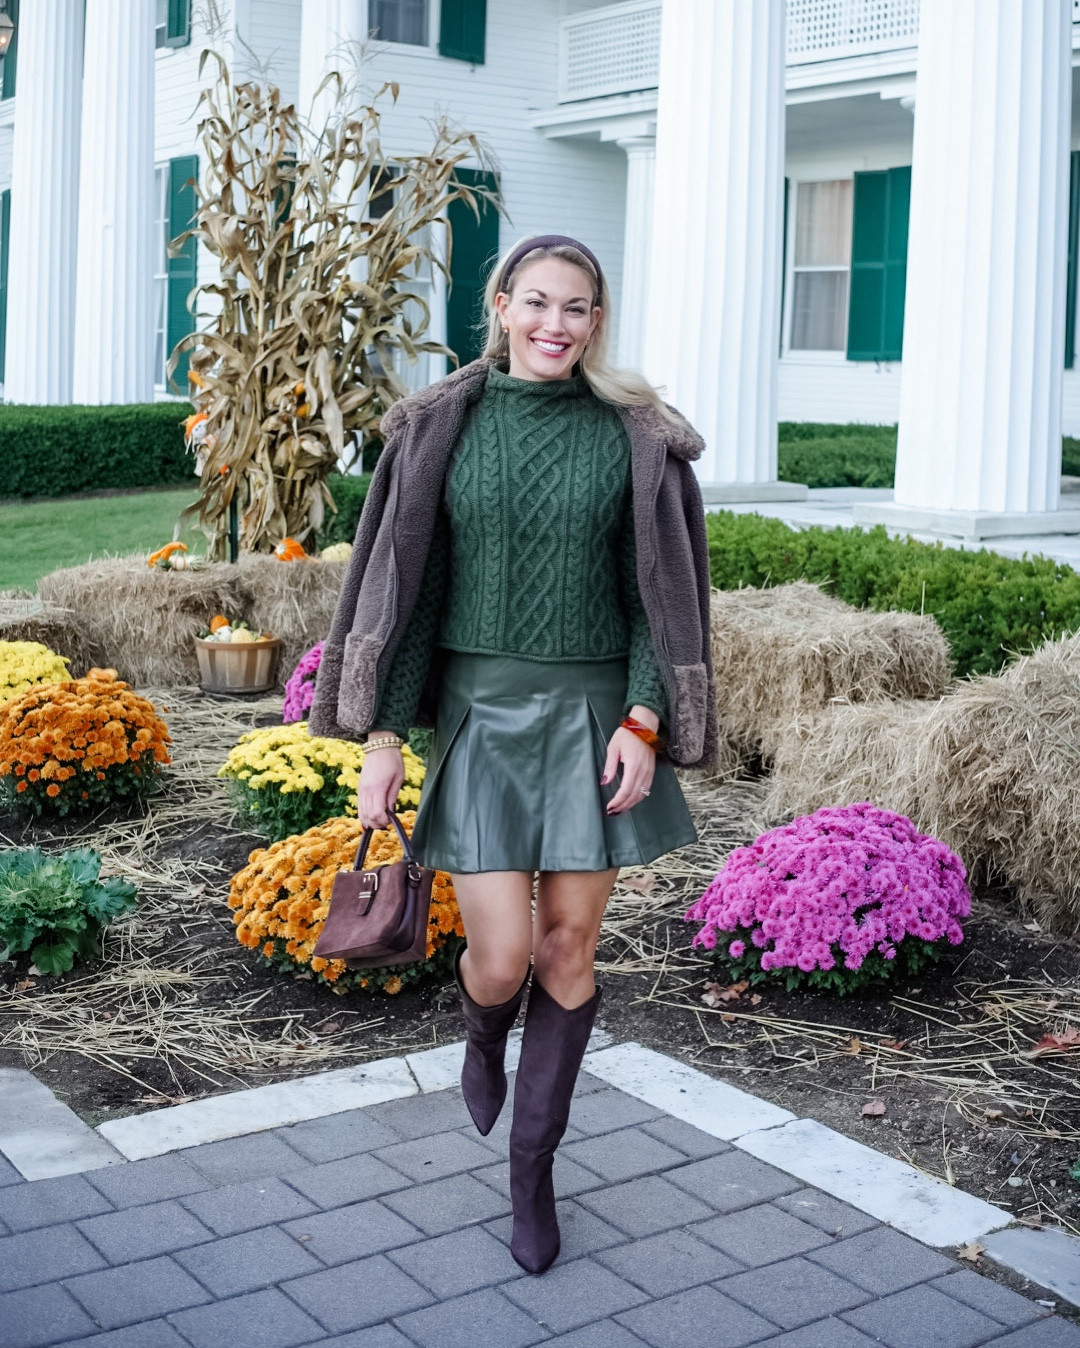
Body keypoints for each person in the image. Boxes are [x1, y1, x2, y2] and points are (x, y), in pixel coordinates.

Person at [309, 233, 718, 1275]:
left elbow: (652, 604)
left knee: (566, 951)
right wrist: (387, 741)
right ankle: (485, 1031)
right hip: (483, 720)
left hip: (595, 722)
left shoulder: (633, 438)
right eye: (536, 302)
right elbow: (416, 595)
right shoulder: (443, 428)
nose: (555, 323)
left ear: (597, 320)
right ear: (500, 304)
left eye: (576, 307)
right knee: (498, 958)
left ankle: (532, 1174)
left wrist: (643, 718)